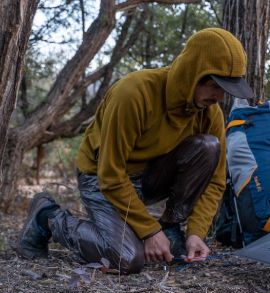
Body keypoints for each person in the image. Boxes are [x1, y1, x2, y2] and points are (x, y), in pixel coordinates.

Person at [16, 27, 254, 274]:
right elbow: (110, 176)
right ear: (193, 73)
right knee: (127, 258)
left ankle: (171, 227)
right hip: (100, 178)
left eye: (225, 90)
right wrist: (149, 230)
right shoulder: (133, 93)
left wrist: (196, 232)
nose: (219, 97)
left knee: (208, 147)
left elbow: (215, 181)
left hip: (149, 175)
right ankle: (48, 215)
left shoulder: (209, 113)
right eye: (215, 86)